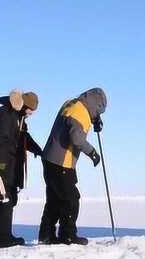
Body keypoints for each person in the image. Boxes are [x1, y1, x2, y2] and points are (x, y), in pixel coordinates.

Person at [38, 88, 106, 246]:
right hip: (62, 162)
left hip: (49, 159)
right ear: (96, 105)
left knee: (54, 199)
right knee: (71, 200)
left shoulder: (72, 103)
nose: (98, 114)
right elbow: (76, 138)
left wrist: (94, 119)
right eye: (98, 112)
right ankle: (67, 235)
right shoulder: (80, 113)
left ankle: (46, 235)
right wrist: (93, 152)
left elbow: (76, 121)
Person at [0, 89, 42, 248]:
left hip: (7, 166)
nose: (31, 114)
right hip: (0, 166)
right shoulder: (6, 115)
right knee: (6, 198)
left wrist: (38, 150)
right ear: (25, 105)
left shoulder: (17, 116)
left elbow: (23, 137)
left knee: (4, 199)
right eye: (31, 110)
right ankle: (2, 238)